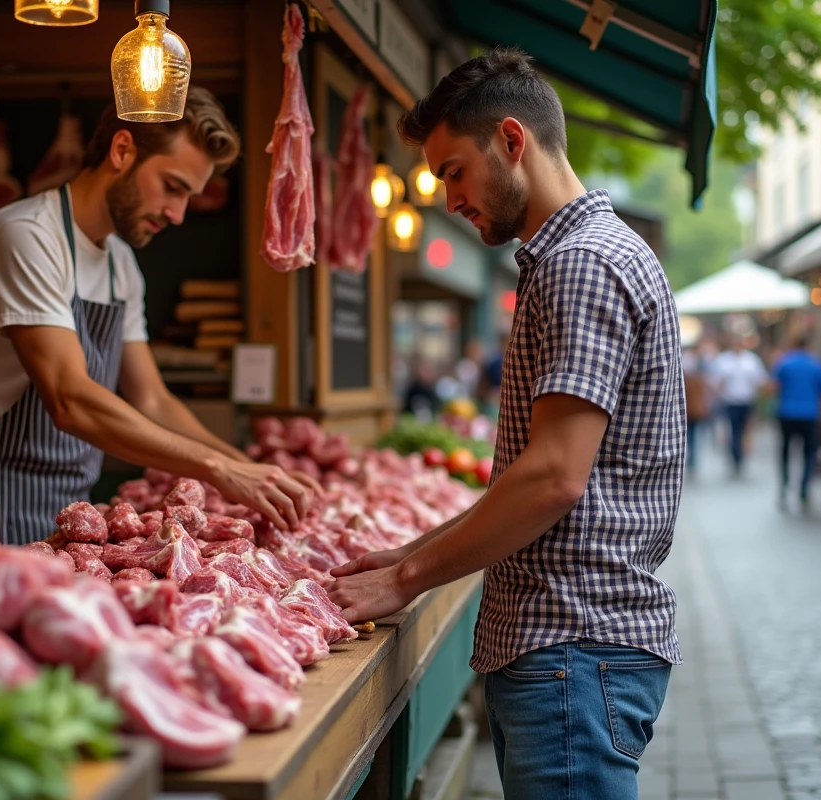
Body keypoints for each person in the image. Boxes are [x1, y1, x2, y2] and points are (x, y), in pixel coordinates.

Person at [327, 47, 683, 798]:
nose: (447, 197)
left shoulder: (580, 263)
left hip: (572, 650)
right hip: (578, 654)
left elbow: (554, 478)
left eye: (453, 170)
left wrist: (408, 579)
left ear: (512, 141)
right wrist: (403, 554)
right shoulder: (593, 252)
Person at [0, 93, 315, 544]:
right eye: (172, 186)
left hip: (68, 521)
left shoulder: (120, 264)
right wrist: (219, 469)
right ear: (122, 150)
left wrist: (246, 468)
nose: (178, 214)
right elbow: (69, 399)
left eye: (188, 196)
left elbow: (152, 400)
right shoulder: (27, 238)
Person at [773, 336, 821, 509]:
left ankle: (784, 485)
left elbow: (774, 387)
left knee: (785, 450)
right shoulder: (816, 364)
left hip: (787, 413)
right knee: (809, 452)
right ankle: (804, 488)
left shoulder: (784, 363)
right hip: (810, 414)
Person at [710, 336, 769, 476]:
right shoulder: (723, 360)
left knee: (745, 431)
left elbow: (761, 380)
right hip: (730, 401)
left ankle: (742, 455)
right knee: (733, 431)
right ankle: (736, 457)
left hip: (747, 401)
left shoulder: (751, 360)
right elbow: (714, 381)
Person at [682, 344, 711, 471]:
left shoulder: (697, 368)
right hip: (690, 408)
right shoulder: (695, 367)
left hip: (692, 408)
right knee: (691, 434)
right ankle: (691, 458)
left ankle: (691, 458)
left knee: (691, 434)